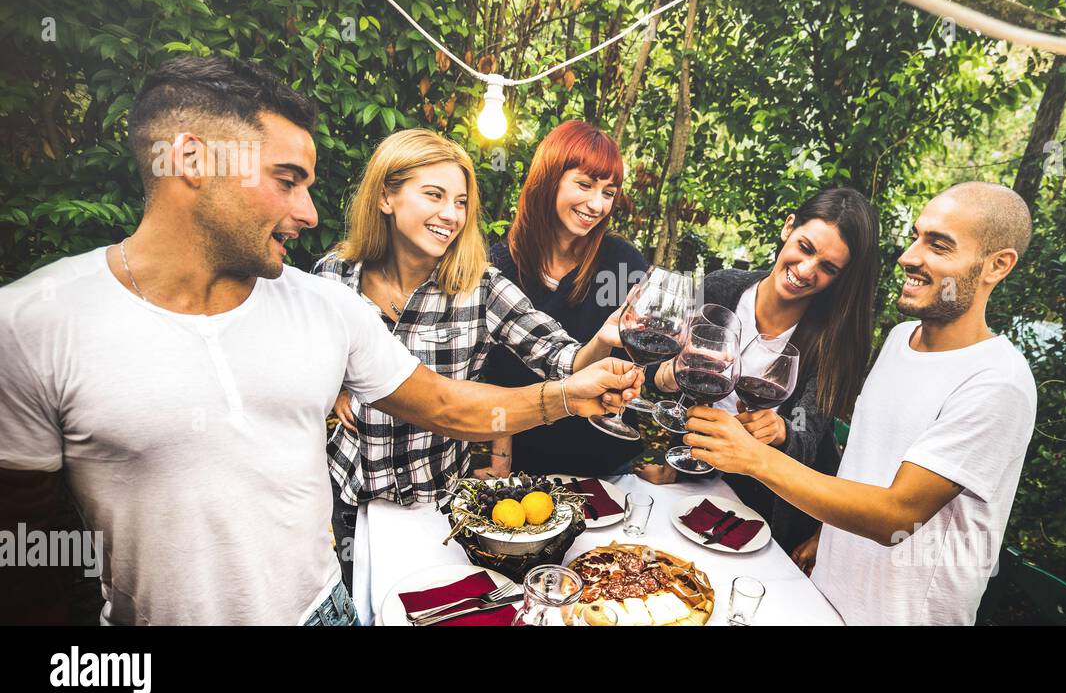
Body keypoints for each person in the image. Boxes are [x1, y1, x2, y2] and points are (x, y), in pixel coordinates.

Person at [0, 56, 639, 626]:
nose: (308, 212)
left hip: (330, 599)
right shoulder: (31, 324)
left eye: (460, 202)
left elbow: (447, 404)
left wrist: (572, 389)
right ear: (191, 160)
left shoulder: (324, 304)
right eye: (287, 180)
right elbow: (25, 560)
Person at [683, 182, 1037, 625]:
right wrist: (823, 534)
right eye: (916, 236)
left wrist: (754, 457)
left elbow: (897, 515)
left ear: (996, 266)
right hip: (821, 593)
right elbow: (864, 466)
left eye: (939, 245)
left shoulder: (997, 381)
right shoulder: (898, 341)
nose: (909, 256)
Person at [313, 128, 621, 591]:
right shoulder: (333, 277)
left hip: (440, 510)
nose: (450, 214)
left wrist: (604, 340)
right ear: (385, 196)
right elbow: (302, 367)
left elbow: (562, 358)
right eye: (434, 195)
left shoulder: (481, 286)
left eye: (460, 202)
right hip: (351, 500)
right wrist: (335, 384)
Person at [637, 188, 880, 553]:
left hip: (767, 512)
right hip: (696, 481)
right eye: (806, 247)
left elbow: (809, 436)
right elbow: (667, 375)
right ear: (788, 228)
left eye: (828, 268)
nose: (806, 270)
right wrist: (665, 377)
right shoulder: (720, 288)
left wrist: (782, 430)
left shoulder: (836, 340)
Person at [482, 121, 648, 479]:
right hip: (529, 464)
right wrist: (502, 460)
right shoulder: (498, 267)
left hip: (610, 464)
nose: (596, 204)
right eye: (585, 185)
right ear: (548, 179)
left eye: (608, 192)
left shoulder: (623, 264)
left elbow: (640, 363)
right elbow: (495, 378)